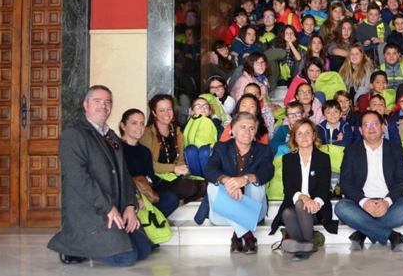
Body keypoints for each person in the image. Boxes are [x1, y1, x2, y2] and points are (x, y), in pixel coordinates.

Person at [48, 86, 154, 267]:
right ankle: (73, 245)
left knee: (145, 248)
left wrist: (130, 205)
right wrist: (107, 207)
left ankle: (87, 245)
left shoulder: (111, 136)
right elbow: (78, 178)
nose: (103, 106)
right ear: (86, 105)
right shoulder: (74, 134)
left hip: (117, 209)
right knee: (126, 258)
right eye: (97, 101)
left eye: (107, 102)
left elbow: (124, 174)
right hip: (93, 211)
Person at [335, 111, 403, 252]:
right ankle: (391, 235)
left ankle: (362, 232)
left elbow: (402, 182)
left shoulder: (395, 150)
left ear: (382, 127)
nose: (371, 128)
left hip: (389, 204)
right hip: (361, 205)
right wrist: (363, 202)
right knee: (341, 208)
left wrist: (387, 202)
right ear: (360, 130)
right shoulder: (351, 151)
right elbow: (345, 183)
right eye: (366, 125)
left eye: (375, 124)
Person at [206, 112, 275, 254]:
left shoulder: (263, 150)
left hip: (254, 211)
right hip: (223, 212)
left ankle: (238, 235)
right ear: (233, 130)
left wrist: (245, 179)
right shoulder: (221, 147)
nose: (247, 132)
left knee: (257, 185)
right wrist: (228, 182)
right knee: (213, 186)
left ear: (256, 131)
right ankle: (248, 235)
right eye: (243, 127)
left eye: (251, 128)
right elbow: (209, 170)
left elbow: (268, 171)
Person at [270, 119, 337, 261]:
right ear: (294, 137)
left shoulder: (323, 158)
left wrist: (315, 202)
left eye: (307, 133)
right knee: (288, 212)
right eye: (299, 133)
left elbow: (323, 188)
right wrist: (303, 198)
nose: (304, 137)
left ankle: (301, 246)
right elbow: (289, 188)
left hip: (317, 208)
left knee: (301, 206)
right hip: (295, 204)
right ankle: (307, 244)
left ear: (314, 135)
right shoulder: (288, 159)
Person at [139, 95, 207, 204]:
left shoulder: (177, 132)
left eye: (169, 109)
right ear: (154, 113)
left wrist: (182, 169)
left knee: (203, 185)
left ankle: (182, 200)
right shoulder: (147, 134)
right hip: (156, 177)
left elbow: (179, 159)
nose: (166, 114)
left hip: (173, 177)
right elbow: (149, 165)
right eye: (161, 110)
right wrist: (173, 168)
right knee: (191, 188)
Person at [119, 108, 180, 217]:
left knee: (171, 198)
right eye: (134, 123)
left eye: (142, 123)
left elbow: (150, 177)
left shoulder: (144, 151)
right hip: (126, 195)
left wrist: (146, 198)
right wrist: (134, 198)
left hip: (144, 192)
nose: (139, 127)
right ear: (123, 126)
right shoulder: (116, 149)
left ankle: (151, 222)